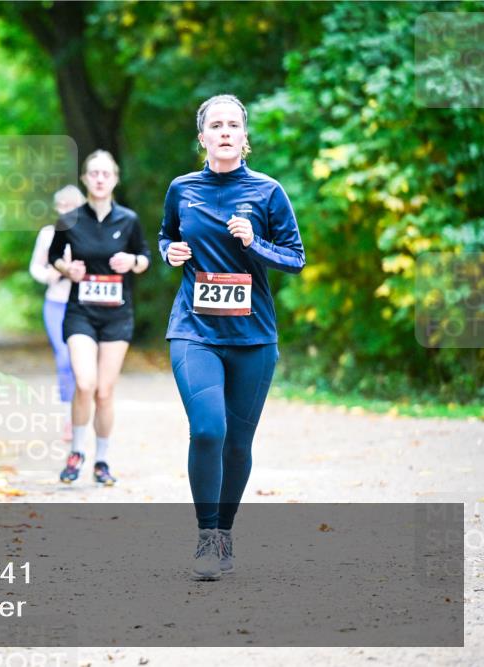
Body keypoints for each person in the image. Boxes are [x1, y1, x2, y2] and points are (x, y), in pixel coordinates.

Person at [158, 94, 305, 579]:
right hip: (194, 330)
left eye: (233, 125)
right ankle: (204, 537)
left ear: (245, 137)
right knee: (208, 430)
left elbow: (295, 258)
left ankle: (224, 534)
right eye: (215, 125)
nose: (224, 132)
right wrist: (170, 251)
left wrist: (254, 242)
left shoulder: (267, 192)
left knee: (238, 444)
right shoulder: (181, 188)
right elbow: (165, 235)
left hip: (253, 336)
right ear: (201, 138)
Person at [48, 151, 151, 486]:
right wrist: (68, 268)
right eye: (93, 173)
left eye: (106, 173)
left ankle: (102, 460)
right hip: (81, 313)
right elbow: (54, 257)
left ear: (115, 179)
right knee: (84, 382)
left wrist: (132, 262)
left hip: (117, 315)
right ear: (85, 179)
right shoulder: (70, 219)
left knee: (105, 391)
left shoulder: (129, 219)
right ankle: (77, 451)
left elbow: (146, 257)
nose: (100, 179)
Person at [30, 185, 87, 442]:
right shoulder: (48, 234)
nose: (66, 210)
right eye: (62, 205)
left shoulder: (91, 233)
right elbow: (36, 268)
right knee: (64, 359)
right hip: (55, 304)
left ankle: (83, 414)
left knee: (82, 363)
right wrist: (49, 276)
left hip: (84, 304)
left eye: (71, 205)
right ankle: (68, 418)